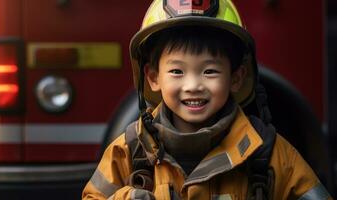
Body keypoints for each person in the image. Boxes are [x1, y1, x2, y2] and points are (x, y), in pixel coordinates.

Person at [82, 0, 333, 199]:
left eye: (210, 71)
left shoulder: (268, 153)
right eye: (177, 71)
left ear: (236, 77)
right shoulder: (128, 151)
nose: (193, 86)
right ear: (153, 77)